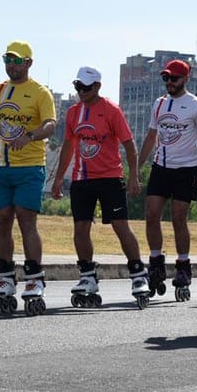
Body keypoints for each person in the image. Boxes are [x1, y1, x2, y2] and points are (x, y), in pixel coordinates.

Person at [51, 66, 150, 309]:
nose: (81, 92)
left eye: (85, 87)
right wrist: (57, 179)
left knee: (120, 226)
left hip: (109, 177)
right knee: (81, 227)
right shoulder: (74, 113)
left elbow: (129, 144)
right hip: (82, 179)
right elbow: (68, 146)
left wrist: (134, 176)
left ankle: (138, 273)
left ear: (97, 87)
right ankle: (87, 275)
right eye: (77, 87)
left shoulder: (111, 110)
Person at [0, 40, 56, 316]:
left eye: (17, 60)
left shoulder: (40, 93)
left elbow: (50, 124)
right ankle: (6, 276)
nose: (12, 65)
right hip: (0, 167)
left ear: (29, 63)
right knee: (2, 220)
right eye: (8, 60)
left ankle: (34, 277)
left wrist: (30, 136)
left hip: (30, 166)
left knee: (26, 219)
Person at [136, 59, 197, 302]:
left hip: (186, 168)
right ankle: (156, 262)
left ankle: (183, 265)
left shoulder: (196, 106)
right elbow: (151, 136)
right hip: (161, 166)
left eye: (174, 78)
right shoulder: (159, 104)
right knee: (151, 214)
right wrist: (136, 167)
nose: (169, 82)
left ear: (185, 79)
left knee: (179, 218)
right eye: (166, 78)